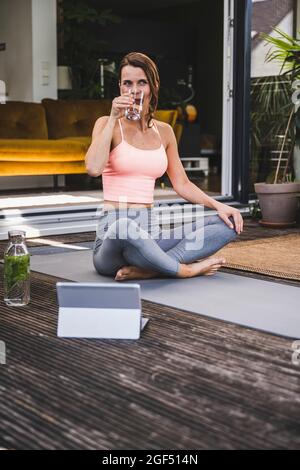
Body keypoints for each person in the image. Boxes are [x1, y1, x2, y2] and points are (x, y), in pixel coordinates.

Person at [85, 52, 243, 281]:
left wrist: (219, 205)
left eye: (142, 82)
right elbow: (93, 168)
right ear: (120, 87)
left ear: (153, 85)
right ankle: (185, 269)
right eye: (127, 83)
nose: (134, 90)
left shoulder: (165, 131)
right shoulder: (106, 124)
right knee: (125, 226)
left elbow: (182, 183)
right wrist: (112, 117)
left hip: (151, 234)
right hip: (113, 237)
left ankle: (150, 269)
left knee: (228, 223)